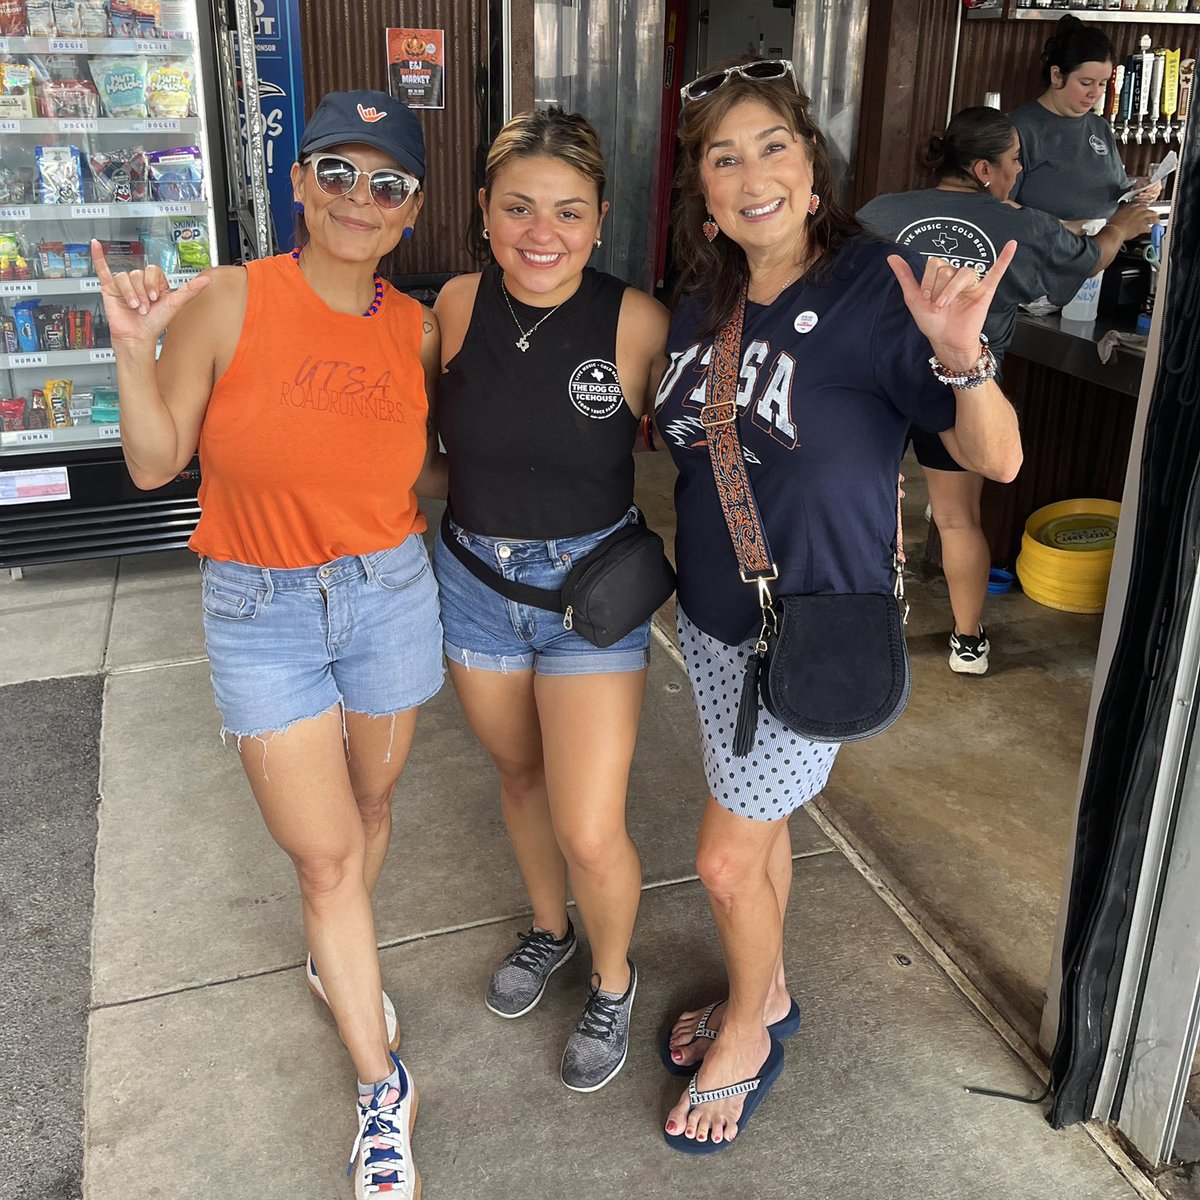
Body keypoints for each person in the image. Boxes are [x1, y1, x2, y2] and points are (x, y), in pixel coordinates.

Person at [653, 59, 1022, 1152]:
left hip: (812, 634)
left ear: (813, 171)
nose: (750, 172)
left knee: (724, 860)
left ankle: (749, 1038)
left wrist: (963, 356)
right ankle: (762, 992)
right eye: (724, 156)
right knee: (754, 841)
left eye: (773, 146)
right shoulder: (699, 303)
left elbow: (995, 460)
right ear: (705, 194)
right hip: (715, 630)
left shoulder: (879, 288)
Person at [94, 89, 440, 1200]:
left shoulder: (415, 325)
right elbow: (156, 465)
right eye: (335, 171)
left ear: (411, 211)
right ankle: (383, 1089)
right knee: (327, 856)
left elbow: (409, 465)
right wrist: (127, 351)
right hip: (261, 610)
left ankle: (332, 953)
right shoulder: (231, 300)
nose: (357, 197)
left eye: (385, 183)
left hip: (388, 592)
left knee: (372, 812)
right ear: (298, 183)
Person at [431, 109, 669, 1092]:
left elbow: (705, 447)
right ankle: (549, 930)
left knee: (587, 822)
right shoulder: (450, 304)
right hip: (474, 586)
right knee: (521, 781)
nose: (542, 232)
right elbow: (412, 444)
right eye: (519, 207)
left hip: (589, 594)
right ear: (483, 211)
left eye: (568, 212)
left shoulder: (635, 321)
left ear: (600, 219)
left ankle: (613, 979)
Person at [857, 106, 1157, 674]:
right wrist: (1123, 224)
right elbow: (1093, 259)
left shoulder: (879, 211)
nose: (1020, 171)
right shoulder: (1024, 224)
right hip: (962, 388)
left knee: (873, 506)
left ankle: (877, 623)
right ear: (983, 168)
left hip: (876, 384)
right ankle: (967, 642)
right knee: (956, 519)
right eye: (1015, 160)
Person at [1009, 15, 1162, 227]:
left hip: (1105, 248)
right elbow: (998, 204)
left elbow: (1118, 190)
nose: (1095, 93)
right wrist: (1063, 228)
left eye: (1102, 84)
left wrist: (1139, 190)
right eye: (1086, 82)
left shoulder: (1099, 127)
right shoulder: (1018, 129)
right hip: (1044, 250)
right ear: (1056, 76)